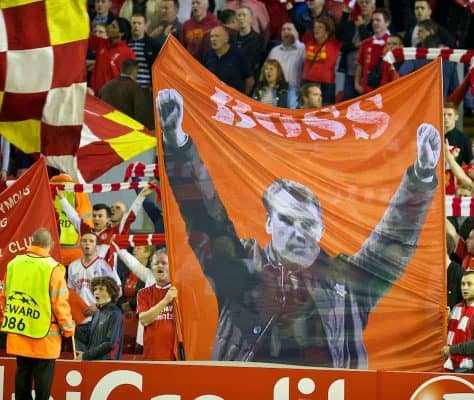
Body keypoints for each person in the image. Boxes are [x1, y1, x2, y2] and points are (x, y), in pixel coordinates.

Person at [156, 88, 441, 368]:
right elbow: (206, 217)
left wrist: (422, 176)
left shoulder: (348, 283)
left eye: (306, 223)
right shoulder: (239, 268)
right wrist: (177, 144)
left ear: (321, 230)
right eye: (287, 220)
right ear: (268, 222)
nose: (297, 231)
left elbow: (392, 241)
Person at [2, 228, 75, 400]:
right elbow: (60, 304)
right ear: (51, 244)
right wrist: (68, 328)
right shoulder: (54, 268)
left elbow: (3, 296)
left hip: (19, 333)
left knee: (22, 376)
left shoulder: (14, 264)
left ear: (30, 242)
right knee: (42, 386)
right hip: (45, 339)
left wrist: (5, 319)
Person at [442, 271, 474, 373]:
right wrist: (447, 322)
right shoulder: (456, 308)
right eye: (463, 284)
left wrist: (452, 350)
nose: (465, 288)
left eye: (469, 284)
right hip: (452, 367)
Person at [136, 249, 178, 360]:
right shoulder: (143, 293)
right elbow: (144, 320)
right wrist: (166, 300)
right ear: (152, 269)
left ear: (171, 267)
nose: (160, 266)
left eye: (164, 263)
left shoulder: (181, 292)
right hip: (152, 354)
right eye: (156, 263)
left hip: (176, 356)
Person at [74, 276, 124, 360]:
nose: (96, 292)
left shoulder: (115, 313)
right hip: (94, 362)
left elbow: (109, 344)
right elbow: (89, 338)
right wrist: (74, 329)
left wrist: (86, 355)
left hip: (108, 364)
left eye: (101, 289)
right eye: (95, 289)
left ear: (110, 292)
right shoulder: (97, 313)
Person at [98, 59, 155, 129]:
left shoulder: (106, 86)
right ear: (135, 71)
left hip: (107, 129)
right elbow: (143, 115)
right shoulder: (136, 88)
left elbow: (98, 109)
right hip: (127, 131)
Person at [202, 26, 254, 94]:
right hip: (214, 98)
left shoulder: (238, 54)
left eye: (217, 36)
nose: (213, 39)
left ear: (226, 39)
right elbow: (203, 78)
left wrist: (243, 98)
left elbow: (250, 81)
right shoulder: (208, 55)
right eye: (211, 36)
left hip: (234, 100)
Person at [301, 16, 341, 105]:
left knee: (325, 112)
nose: (316, 30)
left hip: (326, 85)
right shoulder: (309, 41)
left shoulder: (334, 43)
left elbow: (342, 27)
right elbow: (298, 25)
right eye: (315, 27)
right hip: (308, 83)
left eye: (320, 27)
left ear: (327, 30)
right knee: (307, 111)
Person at [266, 22, 305, 91]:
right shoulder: (274, 50)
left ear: (296, 33)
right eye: (283, 30)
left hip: (295, 92)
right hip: (275, 90)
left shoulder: (303, 49)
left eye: (289, 29)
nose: (286, 31)